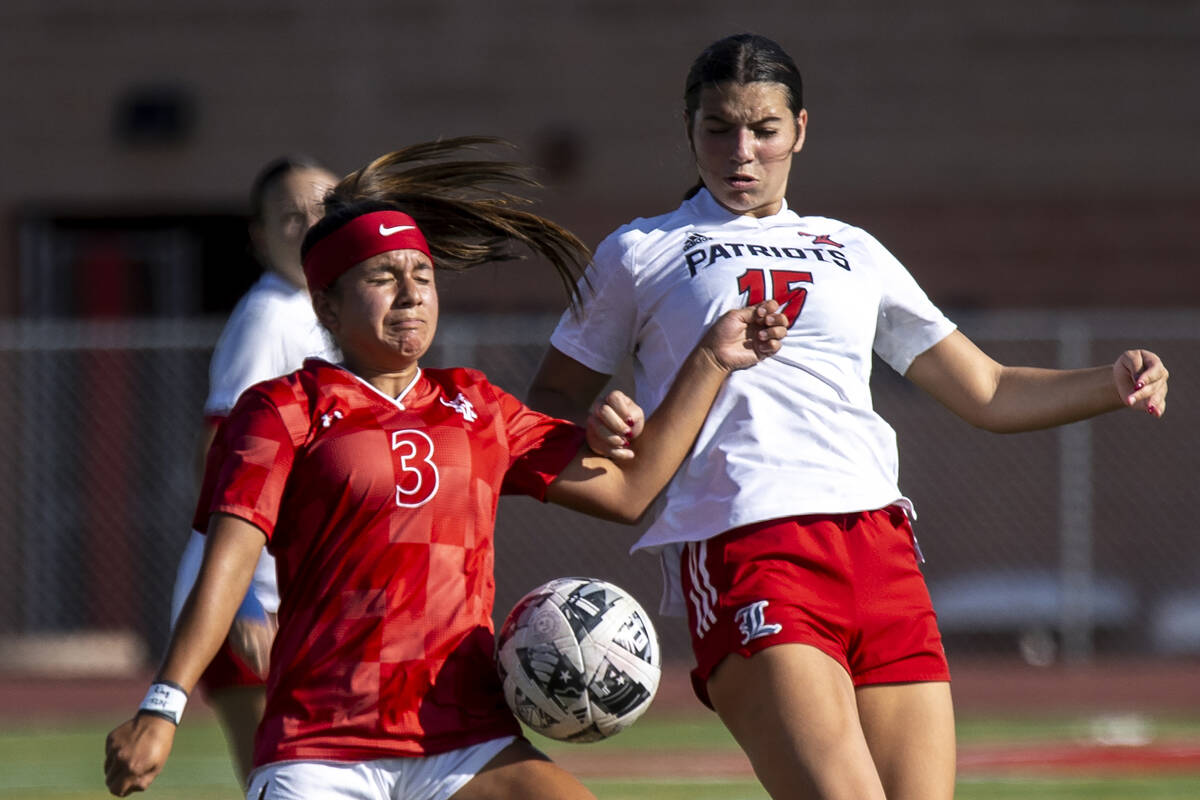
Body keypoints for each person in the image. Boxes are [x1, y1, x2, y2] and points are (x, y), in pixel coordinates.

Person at [526, 33, 1170, 800]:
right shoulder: (640, 252)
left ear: (800, 129)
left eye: (764, 129)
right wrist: (601, 417)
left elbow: (989, 391)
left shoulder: (854, 250)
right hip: (748, 547)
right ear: (689, 130)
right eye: (718, 128)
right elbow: (549, 401)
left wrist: (1112, 381)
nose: (742, 150)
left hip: (882, 550)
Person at [104, 138, 788, 800]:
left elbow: (632, 491)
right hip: (321, 747)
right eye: (382, 277)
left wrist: (710, 359)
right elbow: (226, 559)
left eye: (422, 276)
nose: (410, 294)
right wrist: (163, 704)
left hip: (467, 742)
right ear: (327, 308)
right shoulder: (283, 409)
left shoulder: (476, 405)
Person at [169, 155, 338, 784]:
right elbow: (219, 452)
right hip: (249, 596)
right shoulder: (272, 314)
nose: (307, 225)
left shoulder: (326, 312)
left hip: (295, 594)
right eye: (289, 216)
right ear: (260, 236)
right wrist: (239, 599)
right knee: (282, 778)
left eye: (322, 210)